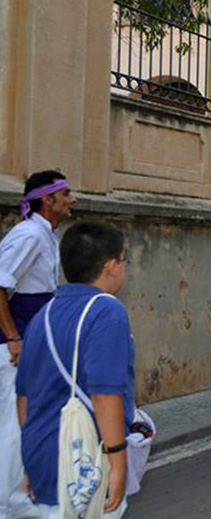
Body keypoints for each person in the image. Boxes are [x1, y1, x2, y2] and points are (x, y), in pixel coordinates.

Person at [16, 222, 134, 518]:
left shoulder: (42, 315)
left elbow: (25, 398)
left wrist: (31, 459)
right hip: (85, 460)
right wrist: (117, 460)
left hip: (43, 456)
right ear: (111, 266)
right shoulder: (107, 310)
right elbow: (105, 394)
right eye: (124, 260)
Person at [0, 170, 76, 518]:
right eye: (66, 193)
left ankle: (23, 496)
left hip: (34, 341)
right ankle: (10, 503)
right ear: (48, 200)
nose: (72, 199)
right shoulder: (29, 235)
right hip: (16, 346)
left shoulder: (47, 235)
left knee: (28, 422)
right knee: (15, 426)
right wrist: (13, 337)